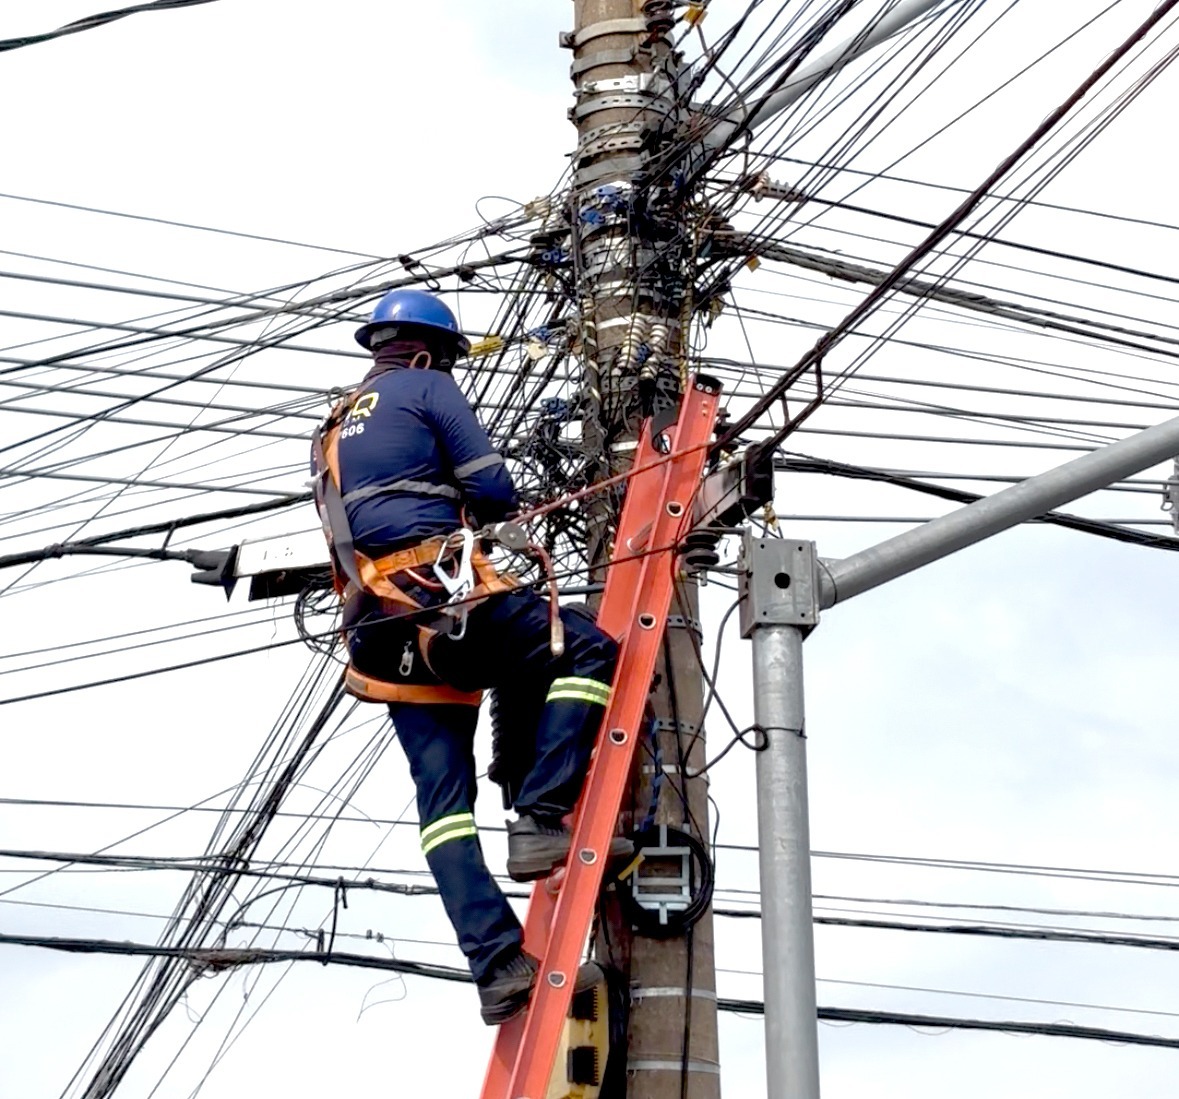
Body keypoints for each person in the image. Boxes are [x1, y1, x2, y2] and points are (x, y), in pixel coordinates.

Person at [311, 288, 629, 1025]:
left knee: (442, 807)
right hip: (438, 595)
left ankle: (496, 965)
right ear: (429, 351)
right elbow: (491, 488)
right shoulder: (427, 385)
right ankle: (541, 812)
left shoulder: (331, 425)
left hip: (378, 630)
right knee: (580, 647)